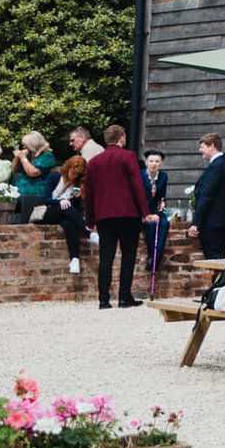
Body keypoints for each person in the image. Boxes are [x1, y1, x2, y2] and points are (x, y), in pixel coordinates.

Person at [81, 125, 151, 310]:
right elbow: (137, 185)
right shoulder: (128, 157)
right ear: (122, 138)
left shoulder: (94, 162)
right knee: (128, 254)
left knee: (106, 256)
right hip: (128, 212)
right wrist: (146, 212)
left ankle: (103, 300)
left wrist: (90, 220)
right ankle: (124, 297)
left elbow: (89, 193)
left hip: (104, 214)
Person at [189, 135, 225, 260]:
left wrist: (196, 223)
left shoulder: (216, 167)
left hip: (212, 221)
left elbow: (206, 196)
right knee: (218, 259)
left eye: (202, 147)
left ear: (212, 146)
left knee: (214, 260)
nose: (200, 150)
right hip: (221, 219)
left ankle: (220, 280)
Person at [50, 156, 91, 276]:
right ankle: (89, 233)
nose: (74, 177)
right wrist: (59, 201)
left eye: (78, 176)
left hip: (66, 215)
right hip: (50, 210)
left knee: (69, 224)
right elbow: (45, 198)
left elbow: (75, 209)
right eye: (74, 174)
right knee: (66, 206)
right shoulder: (55, 177)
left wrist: (77, 197)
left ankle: (75, 260)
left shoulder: (77, 183)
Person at [141, 150, 170, 292]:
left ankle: (156, 257)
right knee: (151, 225)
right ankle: (153, 256)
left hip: (156, 210)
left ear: (161, 163)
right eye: (151, 161)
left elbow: (161, 196)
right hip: (143, 211)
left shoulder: (163, 177)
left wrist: (160, 208)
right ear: (146, 162)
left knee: (164, 223)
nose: (154, 164)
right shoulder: (140, 175)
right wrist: (147, 214)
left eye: (157, 161)